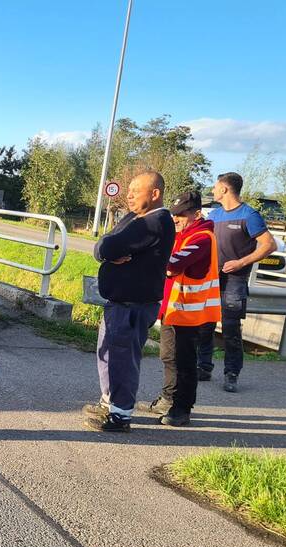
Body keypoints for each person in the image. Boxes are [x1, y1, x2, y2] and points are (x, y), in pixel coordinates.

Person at [85, 171, 176, 433]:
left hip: (133, 304)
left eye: (137, 190)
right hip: (118, 302)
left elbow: (110, 247)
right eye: (129, 190)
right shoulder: (134, 218)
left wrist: (108, 249)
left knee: (122, 359)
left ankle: (121, 416)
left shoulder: (155, 221)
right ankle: (109, 402)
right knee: (108, 355)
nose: (130, 194)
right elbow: (103, 245)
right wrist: (106, 249)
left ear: (155, 193)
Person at [137, 191, 220, 426]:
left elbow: (173, 263)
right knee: (168, 356)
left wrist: (156, 259)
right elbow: (170, 266)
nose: (176, 219)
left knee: (184, 361)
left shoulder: (202, 237)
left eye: (182, 215)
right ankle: (168, 398)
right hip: (173, 308)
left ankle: (182, 408)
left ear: (197, 213)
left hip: (191, 312)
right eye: (175, 214)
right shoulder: (183, 234)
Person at [195, 172, 276, 392]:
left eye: (215, 186)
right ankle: (203, 367)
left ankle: (231, 374)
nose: (212, 190)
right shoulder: (214, 215)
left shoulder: (249, 215)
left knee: (230, 329)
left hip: (234, 280)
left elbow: (269, 245)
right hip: (211, 279)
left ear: (224, 189)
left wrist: (240, 263)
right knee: (204, 326)